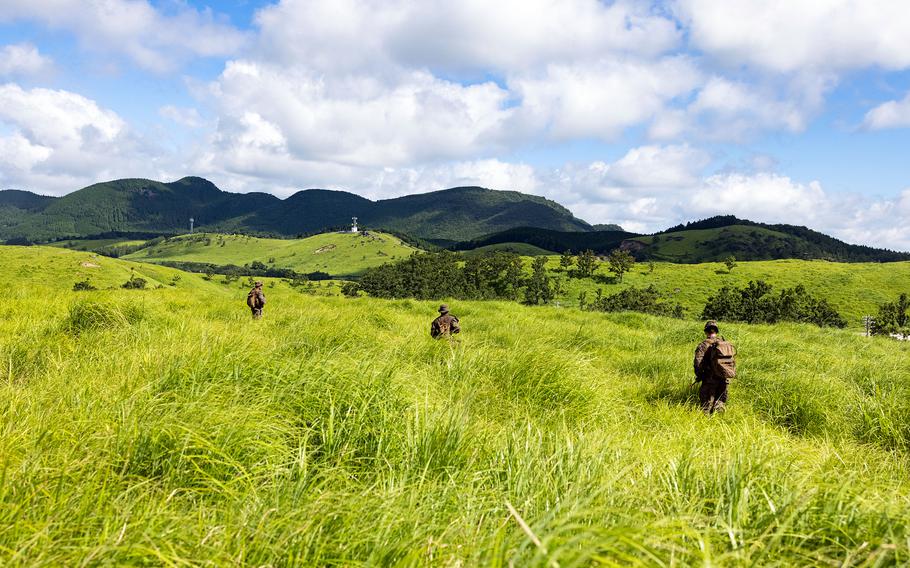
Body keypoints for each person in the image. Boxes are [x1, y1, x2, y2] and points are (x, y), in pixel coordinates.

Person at [693, 320, 736, 415]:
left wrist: (700, 376)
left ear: (706, 332)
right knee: (720, 404)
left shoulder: (703, 345)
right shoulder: (724, 344)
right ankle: (720, 424)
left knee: (706, 407)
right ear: (716, 331)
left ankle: (705, 426)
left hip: (709, 380)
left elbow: (698, 363)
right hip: (724, 379)